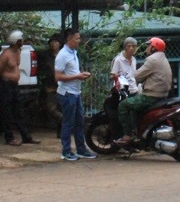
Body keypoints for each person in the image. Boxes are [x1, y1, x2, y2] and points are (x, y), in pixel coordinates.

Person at [116, 37, 172, 144]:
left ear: (154, 48)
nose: (147, 48)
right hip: (162, 95)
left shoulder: (152, 60)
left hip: (151, 96)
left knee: (123, 105)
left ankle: (128, 135)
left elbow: (136, 76)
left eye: (148, 46)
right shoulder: (163, 58)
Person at [54, 28, 97, 160]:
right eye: (77, 38)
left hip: (75, 92)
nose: (79, 41)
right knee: (68, 123)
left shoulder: (73, 52)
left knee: (79, 122)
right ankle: (66, 151)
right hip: (67, 93)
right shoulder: (62, 55)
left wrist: (79, 75)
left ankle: (81, 149)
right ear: (69, 39)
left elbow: (71, 72)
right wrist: (78, 76)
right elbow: (58, 76)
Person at [0, 30, 40, 146]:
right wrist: (1, 82)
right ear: (16, 41)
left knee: (18, 110)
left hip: (14, 84)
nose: (23, 42)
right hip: (6, 84)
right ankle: (9, 138)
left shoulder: (18, 52)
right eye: (21, 40)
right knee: (7, 111)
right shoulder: (6, 54)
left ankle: (26, 136)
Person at [106, 37, 138, 137]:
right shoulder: (118, 60)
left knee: (134, 115)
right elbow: (111, 75)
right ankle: (124, 135)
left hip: (133, 90)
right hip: (122, 91)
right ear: (125, 47)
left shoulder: (134, 59)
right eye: (129, 46)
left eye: (133, 46)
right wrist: (117, 77)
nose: (131, 48)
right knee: (124, 115)